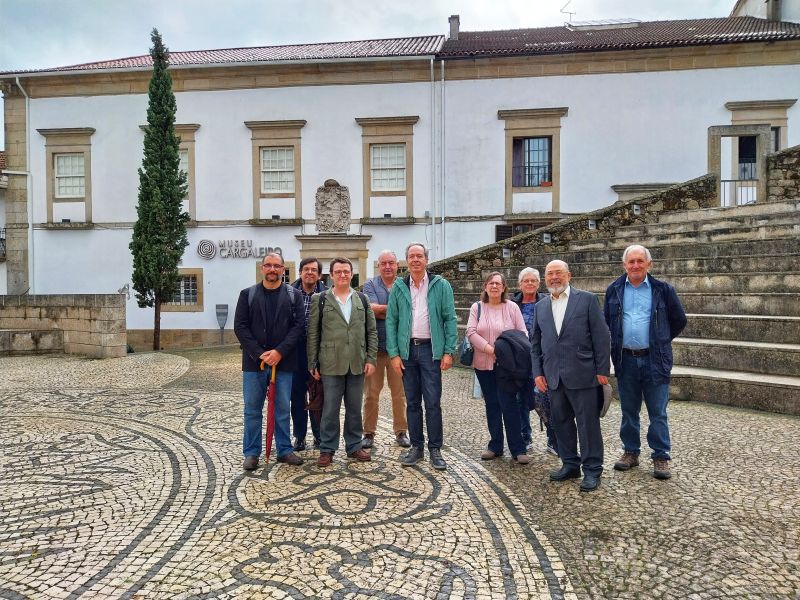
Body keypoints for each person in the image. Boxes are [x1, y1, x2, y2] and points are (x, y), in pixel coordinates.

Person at [604, 244, 687, 480]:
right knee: (629, 410)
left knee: (657, 412)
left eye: (640, 261)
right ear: (624, 265)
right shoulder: (614, 289)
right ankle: (631, 452)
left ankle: (660, 455)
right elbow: (607, 322)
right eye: (631, 262)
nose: (636, 265)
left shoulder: (663, 290)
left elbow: (679, 319)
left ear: (649, 264)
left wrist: (660, 339)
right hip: (625, 359)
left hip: (654, 359)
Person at [530, 260, 611, 492]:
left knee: (588, 425)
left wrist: (602, 370)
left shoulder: (586, 300)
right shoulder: (541, 306)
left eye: (558, 273)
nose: (554, 278)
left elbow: (601, 337)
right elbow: (535, 343)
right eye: (550, 274)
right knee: (561, 423)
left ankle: (593, 469)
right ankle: (570, 464)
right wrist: (538, 372)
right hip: (553, 377)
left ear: (569, 275)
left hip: (583, 374)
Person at [386, 242, 458, 471]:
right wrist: (394, 354)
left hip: (430, 351)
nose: (415, 260)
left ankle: (435, 449)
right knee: (413, 402)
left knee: (433, 401)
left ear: (426, 260)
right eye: (411, 256)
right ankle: (416, 447)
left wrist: (448, 350)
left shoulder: (441, 285)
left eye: (419, 256)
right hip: (407, 351)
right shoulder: (399, 286)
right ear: (406, 261)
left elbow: (450, 318)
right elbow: (391, 321)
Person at [234, 252, 305, 470]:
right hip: (254, 364)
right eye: (268, 265)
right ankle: (252, 453)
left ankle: (284, 449)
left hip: (284, 363)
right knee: (252, 409)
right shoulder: (247, 295)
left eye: (277, 266)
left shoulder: (294, 295)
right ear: (262, 268)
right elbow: (240, 327)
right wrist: (259, 353)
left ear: (283, 270)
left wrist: (279, 352)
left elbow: (298, 327)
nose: (272, 269)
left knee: (282, 408)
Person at [307, 257, 378, 467]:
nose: (343, 275)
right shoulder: (320, 299)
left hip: (357, 361)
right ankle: (327, 449)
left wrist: (371, 358)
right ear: (331, 275)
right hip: (330, 362)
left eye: (346, 271)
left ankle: (354, 446)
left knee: (354, 408)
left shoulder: (362, 300)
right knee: (330, 409)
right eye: (338, 272)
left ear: (351, 274)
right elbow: (313, 333)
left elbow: (371, 332)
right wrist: (313, 362)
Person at [466, 272, 531, 464]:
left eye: (498, 284)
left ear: (504, 288)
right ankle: (495, 445)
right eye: (491, 283)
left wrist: (506, 352)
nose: (494, 286)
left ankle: (518, 448)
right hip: (483, 364)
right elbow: (471, 332)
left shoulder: (511, 307)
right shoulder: (477, 307)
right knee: (492, 404)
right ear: (485, 287)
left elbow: (522, 333)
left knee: (509, 404)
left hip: (507, 367)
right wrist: (490, 349)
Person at [362, 250, 410, 449]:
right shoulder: (370, 284)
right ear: (378, 265)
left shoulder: (405, 284)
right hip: (375, 348)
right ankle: (368, 433)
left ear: (397, 264)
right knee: (371, 394)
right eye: (384, 263)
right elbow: (370, 309)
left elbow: (410, 311)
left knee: (399, 394)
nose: (388, 266)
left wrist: (382, 310)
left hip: (398, 350)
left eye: (391, 262)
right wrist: (396, 311)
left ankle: (401, 432)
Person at [512, 267, 558, 455]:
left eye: (533, 281)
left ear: (539, 284)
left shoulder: (548, 302)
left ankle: (553, 439)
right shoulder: (513, 304)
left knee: (546, 399)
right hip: (519, 360)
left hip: (542, 359)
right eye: (526, 281)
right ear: (520, 284)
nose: (529, 284)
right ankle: (525, 436)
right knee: (520, 399)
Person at [289, 257, 327, 451]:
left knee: (318, 395)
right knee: (296, 397)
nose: (310, 272)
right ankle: (300, 436)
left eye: (314, 270)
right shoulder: (288, 293)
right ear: (301, 272)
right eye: (306, 269)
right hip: (295, 353)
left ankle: (319, 435)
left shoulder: (328, 295)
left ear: (319, 275)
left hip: (319, 353)